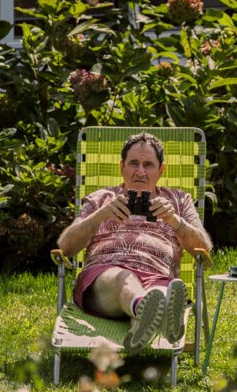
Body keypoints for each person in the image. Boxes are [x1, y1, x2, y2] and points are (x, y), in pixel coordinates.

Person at [57, 133, 213, 355]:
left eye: (148, 164)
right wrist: (101, 215)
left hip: (157, 275)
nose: (140, 171)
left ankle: (145, 321)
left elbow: (204, 250)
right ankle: (153, 312)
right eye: (134, 163)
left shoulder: (178, 200)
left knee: (161, 291)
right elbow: (66, 247)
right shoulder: (102, 198)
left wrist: (175, 221)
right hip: (107, 276)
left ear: (161, 170)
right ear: (122, 167)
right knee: (125, 280)